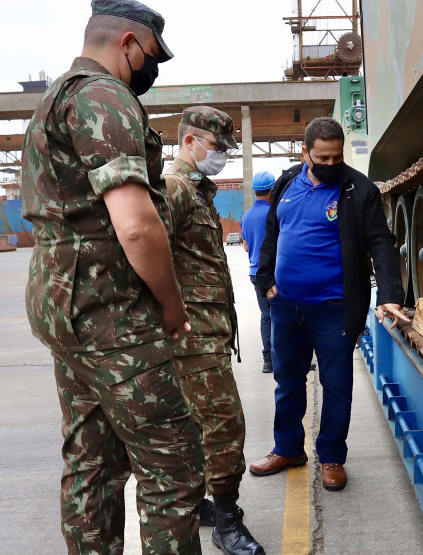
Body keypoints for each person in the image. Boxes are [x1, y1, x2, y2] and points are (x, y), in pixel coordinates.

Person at [20, 1, 204, 553]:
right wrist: (171, 305)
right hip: (109, 313)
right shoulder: (103, 96)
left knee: (92, 459)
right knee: (174, 461)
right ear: (128, 43)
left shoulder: (54, 98)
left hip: (63, 304)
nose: (153, 70)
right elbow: (137, 225)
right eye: (151, 57)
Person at [249, 117, 408, 491]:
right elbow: (274, 234)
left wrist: (388, 294)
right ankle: (288, 448)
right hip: (287, 306)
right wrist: (265, 280)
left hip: (334, 308)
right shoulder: (288, 183)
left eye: (338, 157)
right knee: (287, 382)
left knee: (336, 385)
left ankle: (333, 456)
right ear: (305, 153)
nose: (332, 164)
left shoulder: (359, 190)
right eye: (324, 157)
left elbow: (381, 244)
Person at [164, 106, 264, 555]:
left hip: (208, 332)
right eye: (217, 146)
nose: (221, 155)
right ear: (190, 142)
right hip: (192, 336)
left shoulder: (197, 191)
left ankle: (205, 502)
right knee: (225, 425)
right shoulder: (173, 189)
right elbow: (145, 253)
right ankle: (226, 519)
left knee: (199, 426)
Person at [240, 171, 276, 374]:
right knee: (286, 316)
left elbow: (246, 247)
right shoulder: (274, 214)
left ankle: (268, 360)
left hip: (255, 272)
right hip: (274, 272)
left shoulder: (246, 216)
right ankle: (293, 359)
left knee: (266, 315)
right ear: (272, 190)